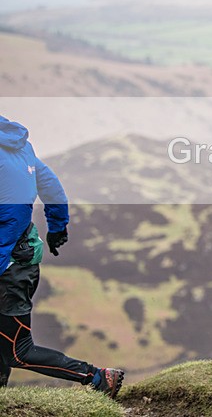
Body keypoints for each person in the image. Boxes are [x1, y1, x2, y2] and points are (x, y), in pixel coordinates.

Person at [0, 115, 124, 397]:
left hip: (11, 267)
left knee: (18, 351)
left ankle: (97, 377)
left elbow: (9, 220)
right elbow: (50, 185)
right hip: (21, 258)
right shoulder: (18, 147)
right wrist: (57, 226)